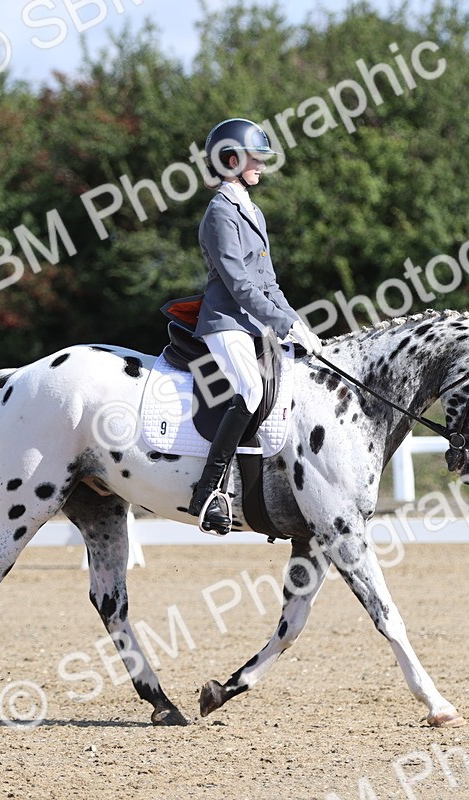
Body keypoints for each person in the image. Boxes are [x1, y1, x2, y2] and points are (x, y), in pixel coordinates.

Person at [187, 118, 323, 535]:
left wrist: (297, 324)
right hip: (225, 321)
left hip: (252, 322)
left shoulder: (252, 210)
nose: (261, 165)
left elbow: (268, 282)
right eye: (255, 158)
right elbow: (240, 284)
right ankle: (208, 492)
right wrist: (281, 323)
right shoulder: (219, 214)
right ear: (231, 160)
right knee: (252, 389)